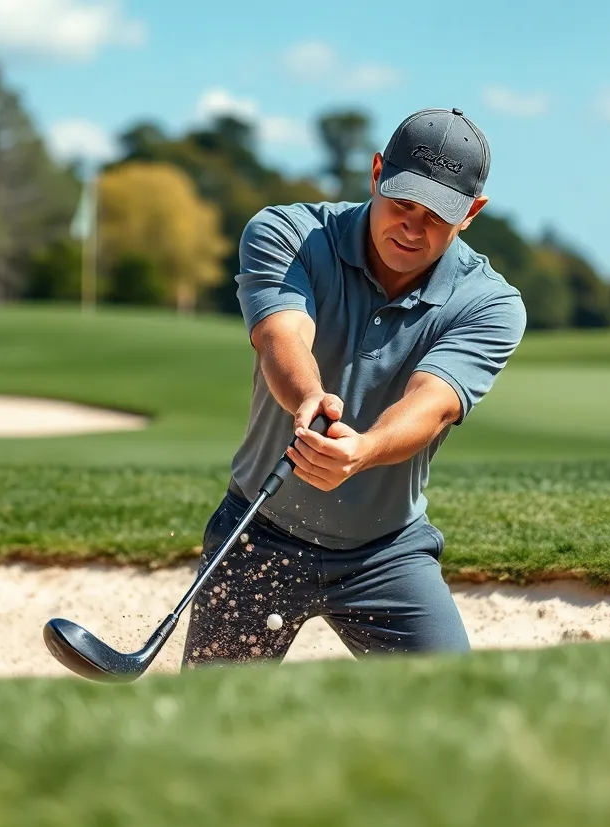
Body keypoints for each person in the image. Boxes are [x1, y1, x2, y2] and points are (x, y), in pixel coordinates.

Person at [182, 107, 527, 669]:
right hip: (257, 535)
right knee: (206, 727)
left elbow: (432, 404)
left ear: (472, 213)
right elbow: (281, 335)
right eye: (402, 204)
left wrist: (364, 451)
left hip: (386, 557)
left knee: (458, 712)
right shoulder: (287, 232)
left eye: (437, 215)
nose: (412, 228)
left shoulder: (490, 303)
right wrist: (307, 399)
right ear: (375, 173)